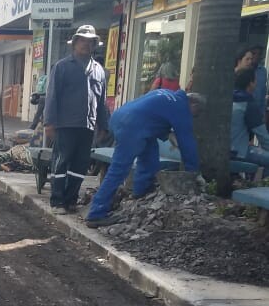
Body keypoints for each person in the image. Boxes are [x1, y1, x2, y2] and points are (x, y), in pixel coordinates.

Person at [86, 89, 205, 227]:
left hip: (122, 117)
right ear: (194, 105)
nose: (194, 117)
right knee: (119, 169)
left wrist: (167, 135)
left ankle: (141, 191)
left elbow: (151, 115)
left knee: (150, 157)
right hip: (132, 126)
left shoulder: (167, 94)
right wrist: (194, 172)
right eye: (196, 114)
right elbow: (187, 143)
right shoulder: (182, 108)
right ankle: (96, 214)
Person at [43, 24, 109, 213]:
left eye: (90, 42)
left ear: (94, 45)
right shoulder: (62, 67)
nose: (85, 45)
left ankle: (71, 199)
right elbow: (52, 96)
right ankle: (57, 201)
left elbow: (101, 102)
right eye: (82, 41)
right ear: (75, 43)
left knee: (80, 165)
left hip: (87, 125)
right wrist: (49, 123)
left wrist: (103, 125)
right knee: (61, 162)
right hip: (65, 124)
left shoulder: (99, 71)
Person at [231, 67, 269, 172]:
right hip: (238, 152)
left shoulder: (227, 99)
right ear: (251, 83)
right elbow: (263, 137)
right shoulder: (248, 104)